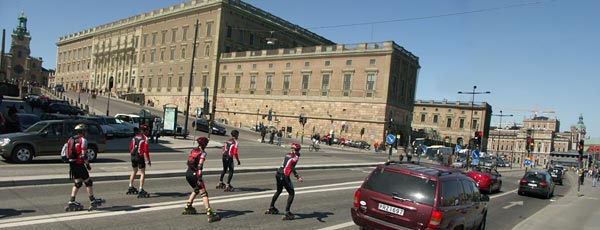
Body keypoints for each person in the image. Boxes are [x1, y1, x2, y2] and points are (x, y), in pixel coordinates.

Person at [63, 124, 104, 211]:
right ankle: (92, 201)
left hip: (72, 164)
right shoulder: (83, 140)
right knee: (88, 182)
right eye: (85, 131)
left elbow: (65, 152)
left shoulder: (70, 139)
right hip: (79, 164)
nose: (86, 133)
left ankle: (71, 201)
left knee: (78, 183)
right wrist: (88, 165)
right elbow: (83, 155)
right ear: (83, 132)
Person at [182, 137, 220, 222]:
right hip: (196, 174)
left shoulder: (193, 150)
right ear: (204, 145)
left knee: (196, 190)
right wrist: (199, 177)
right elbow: (200, 165)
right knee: (204, 193)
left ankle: (188, 206)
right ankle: (209, 213)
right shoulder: (203, 153)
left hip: (188, 173)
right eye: (206, 144)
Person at [265, 143, 304, 220]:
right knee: (291, 193)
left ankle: (271, 207)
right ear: (298, 150)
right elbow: (291, 166)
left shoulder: (287, 154)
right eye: (299, 150)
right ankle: (287, 212)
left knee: (279, 191)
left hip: (278, 173)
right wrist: (297, 176)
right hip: (284, 175)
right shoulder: (295, 157)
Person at [126, 124, 151, 198]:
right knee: (142, 173)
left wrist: (132, 154)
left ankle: (130, 186)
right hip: (140, 156)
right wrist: (148, 160)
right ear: (145, 131)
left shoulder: (135, 137)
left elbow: (131, 146)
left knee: (134, 171)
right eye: (148, 130)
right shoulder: (145, 138)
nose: (148, 132)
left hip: (133, 155)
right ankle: (141, 189)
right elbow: (146, 150)